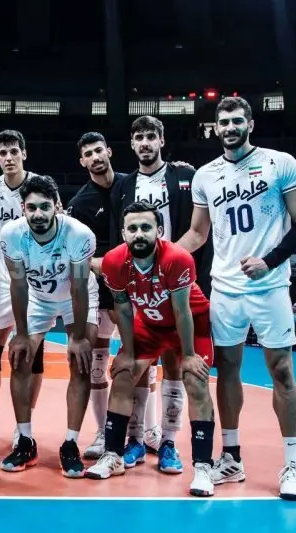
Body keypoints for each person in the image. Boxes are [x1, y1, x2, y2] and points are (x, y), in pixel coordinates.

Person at [177, 96, 296, 500]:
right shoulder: (205, 175)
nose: (230, 127)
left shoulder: (280, 163)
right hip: (225, 288)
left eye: (237, 121)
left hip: (270, 285)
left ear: (250, 124)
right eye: (224, 122)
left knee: (282, 371)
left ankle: (292, 464)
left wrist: (270, 261)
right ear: (216, 128)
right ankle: (231, 457)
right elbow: (198, 234)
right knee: (227, 370)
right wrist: (157, 255)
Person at [86, 201, 216, 497]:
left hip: (189, 323)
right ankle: (112, 455)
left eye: (146, 227)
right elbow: (123, 308)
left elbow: (182, 311)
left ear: (159, 231)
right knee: (123, 376)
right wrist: (129, 354)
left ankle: (203, 467)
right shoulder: (114, 262)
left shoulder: (177, 258)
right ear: (123, 233)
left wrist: (189, 356)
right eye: (132, 228)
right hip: (149, 324)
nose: (139, 233)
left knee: (196, 381)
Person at [109, 115, 213, 460]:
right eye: (138, 137)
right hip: (141, 284)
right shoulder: (124, 185)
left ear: (161, 141)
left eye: (151, 136)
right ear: (132, 144)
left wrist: (165, 264)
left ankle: (168, 441)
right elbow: (121, 236)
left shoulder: (185, 176)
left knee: (175, 363)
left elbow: (199, 229)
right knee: (137, 367)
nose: (145, 143)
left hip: (178, 279)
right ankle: (136, 439)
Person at [0, 175, 98, 476]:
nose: (38, 214)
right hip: (38, 298)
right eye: (32, 208)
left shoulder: (78, 234)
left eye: (45, 207)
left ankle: (70, 444)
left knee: (81, 362)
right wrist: (21, 334)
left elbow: (79, 287)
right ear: (23, 209)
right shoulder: (12, 235)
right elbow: (18, 285)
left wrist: (77, 337)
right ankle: (25, 440)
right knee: (19, 359)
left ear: (57, 206)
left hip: (75, 297)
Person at [0, 130, 47, 446]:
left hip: (36, 283)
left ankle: (23, 426)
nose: (9, 157)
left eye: (14, 151)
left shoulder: (40, 185)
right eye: (3, 153)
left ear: (24, 154)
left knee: (31, 356)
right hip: (5, 281)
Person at [65, 132, 128, 459]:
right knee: (97, 366)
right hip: (101, 291)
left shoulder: (133, 185)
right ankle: (104, 433)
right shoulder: (79, 203)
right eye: (88, 153)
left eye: (98, 150)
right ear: (82, 161)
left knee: (141, 362)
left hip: (135, 288)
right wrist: (97, 264)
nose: (95, 157)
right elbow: (73, 252)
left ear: (109, 151)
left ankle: (143, 432)